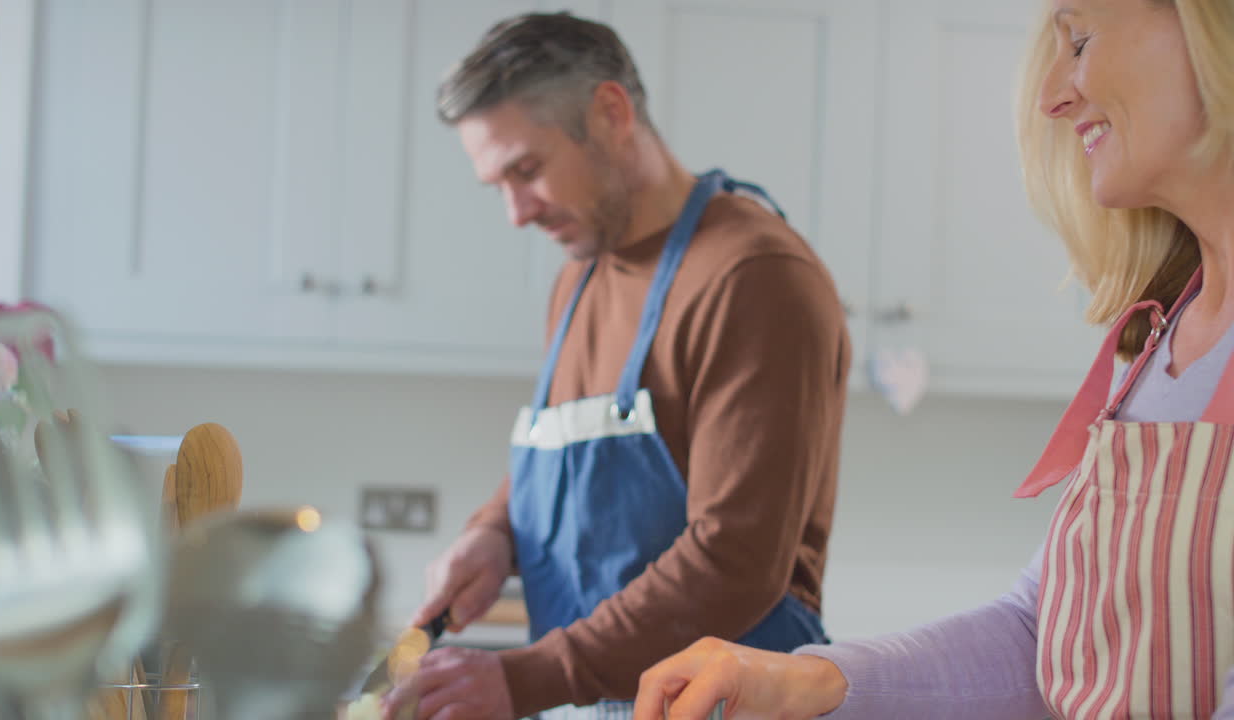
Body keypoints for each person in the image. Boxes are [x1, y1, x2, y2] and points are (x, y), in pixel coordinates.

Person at [631, 0, 1234, 718]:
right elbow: (1039, 634)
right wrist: (801, 680)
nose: (1051, 98)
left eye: (1079, 41)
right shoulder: (1159, 340)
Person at [375, 11, 851, 720]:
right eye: (497, 185)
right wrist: (492, 534)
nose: (515, 213)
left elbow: (736, 558)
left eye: (527, 170)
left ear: (610, 113)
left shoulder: (753, 276)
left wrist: (527, 678)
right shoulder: (580, 277)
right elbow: (575, 456)